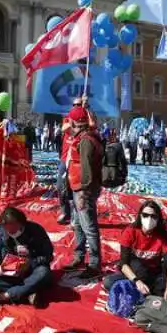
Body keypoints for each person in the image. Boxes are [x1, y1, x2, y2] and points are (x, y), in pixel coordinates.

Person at [0, 207, 53, 307]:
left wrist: (30, 261)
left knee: (43, 273)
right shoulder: (2, 230)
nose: (11, 231)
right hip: (11, 271)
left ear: (21, 222)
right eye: (8, 229)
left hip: (32, 270)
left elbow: (48, 256)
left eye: (14, 227)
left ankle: (3, 297)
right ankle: (27, 293)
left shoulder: (36, 230)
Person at [103, 200, 167, 299]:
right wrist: (137, 282)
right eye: (145, 215)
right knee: (108, 282)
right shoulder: (130, 232)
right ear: (140, 216)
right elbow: (123, 263)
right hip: (133, 273)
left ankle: (138, 292)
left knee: (166, 292)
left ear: (158, 219)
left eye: (153, 216)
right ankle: (141, 291)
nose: (149, 219)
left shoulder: (162, 236)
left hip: (154, 273)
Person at [63, 106, 104, 278]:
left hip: (83, 190)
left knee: (89, 226)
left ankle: (94, 264)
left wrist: (84, 193)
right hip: (77, 187)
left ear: (73, 121)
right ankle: (79, 257)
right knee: (79, 225)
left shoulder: (86, 140)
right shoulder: (83, 136)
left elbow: (86, 167)